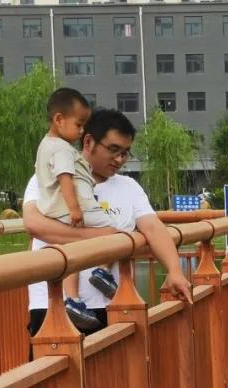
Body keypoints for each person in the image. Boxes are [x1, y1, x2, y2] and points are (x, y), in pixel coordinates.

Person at [23, 108, 193, 338]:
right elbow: (34, 225)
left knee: (112, 372)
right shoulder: (50, 178)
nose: (120, 159)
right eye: (113, 150)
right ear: (89, 141)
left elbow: (153, 228)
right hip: (52, 303)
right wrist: (106, 238)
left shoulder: (128, 187)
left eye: (125, 153)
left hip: (112, 304)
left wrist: (174, 270)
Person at [33, 87, 120, 331]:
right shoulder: (61, 149)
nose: (81, 131)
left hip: (52, 208)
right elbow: (65, 178)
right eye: (79, 125)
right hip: (70, 206)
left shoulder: (45, 145)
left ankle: (72, 298)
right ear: (59, 120)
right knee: (115, 234)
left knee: (73, 249)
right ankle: (102, 272)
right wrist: (74, 209)